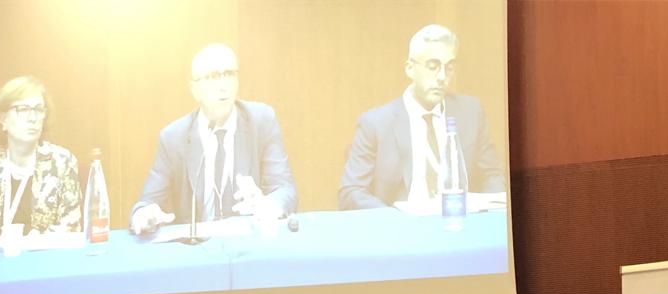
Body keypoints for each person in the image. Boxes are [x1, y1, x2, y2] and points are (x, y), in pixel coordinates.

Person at [129, 44, 297, 234]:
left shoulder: (261, 121)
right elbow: (146, 204)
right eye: (213, 77)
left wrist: (267, 205)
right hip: (197, 247)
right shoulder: (173, 138)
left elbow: (285, 190)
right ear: (195, 90)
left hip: (249, 242)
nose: (223, 85)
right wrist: (143, 215)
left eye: (229, 74)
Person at [338, 24, 505, 210]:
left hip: (459, 219)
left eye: (449, 67)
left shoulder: (471, 113)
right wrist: (397, 220)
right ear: (410, 69)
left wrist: (492, 211)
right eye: (433, 66)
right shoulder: (376, 124)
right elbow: (351, 192)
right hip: (402, 225)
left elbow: (492, 176)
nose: (442, 77)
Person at [0, 75, 82, 240]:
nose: (33, 118)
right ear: (3, 119)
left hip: (44, 255)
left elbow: (72, 229)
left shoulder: (62, 162)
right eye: (23, 109)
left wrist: (34, 242)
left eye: (38, 109)